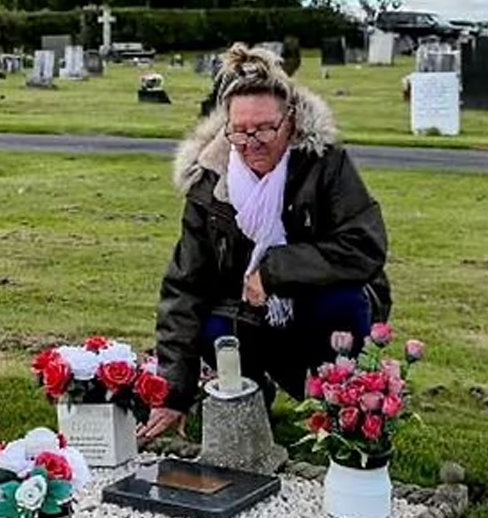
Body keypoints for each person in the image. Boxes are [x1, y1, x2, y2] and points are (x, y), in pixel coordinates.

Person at [138, 44, 391, 441]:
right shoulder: (209, 183)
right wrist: (174, 390)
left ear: (290, 121)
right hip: (247, 313)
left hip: (321, 304)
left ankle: (343, 405)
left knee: (344, 303)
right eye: (239, 130)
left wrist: (273, 271)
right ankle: (251, 396)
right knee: (211, 326)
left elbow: (365, 246)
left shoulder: (325, 164)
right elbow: (184, 287)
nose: (251, 141)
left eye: (265, 129)